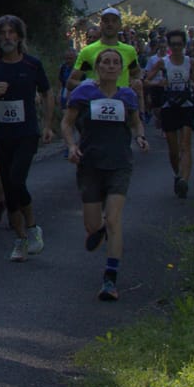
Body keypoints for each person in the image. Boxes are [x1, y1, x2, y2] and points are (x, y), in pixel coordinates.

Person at [61, 46, 148, 303]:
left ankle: (110, 279)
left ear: (121, 69)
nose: (110, 66)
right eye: (106, 62)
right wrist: (71, 145)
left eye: (115, 63)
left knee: (113, 219)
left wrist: (141, 137)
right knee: (93, 224)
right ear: (98, 67)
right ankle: (97, 230)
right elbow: (66, 122)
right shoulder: (84, 92)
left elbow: (136, 122)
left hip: (120, 164)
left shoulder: (128, 96)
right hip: (90, 165)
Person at [0, 16, 53, 261]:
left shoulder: (32, 65)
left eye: (11, 32)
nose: (7, 37)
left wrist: (48, 125)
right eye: (2, 33)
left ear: (19, 37)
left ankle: (33, 227)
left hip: (26, 133)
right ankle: (21, 240)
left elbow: (47, 93)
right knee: (7, 187)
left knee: (17, 180)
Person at [140, 30, 194, 198]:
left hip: (186, 104)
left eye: (179, 44)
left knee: (185, 145)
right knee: (173, 149)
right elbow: (145, 81)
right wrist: (159, 83)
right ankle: (177, 174)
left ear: (184, 45)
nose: (176, 47)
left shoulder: (191, 62)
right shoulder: (162, 62)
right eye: (173, 44)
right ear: (168, 46)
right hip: (169, 106)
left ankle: (184, 180)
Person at [74, 8, 137, 93]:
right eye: (106, 21)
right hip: (96, 101)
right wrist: (90, 85)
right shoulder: (87, 51)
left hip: (122, 101)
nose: (110, 24)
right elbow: (71, 82)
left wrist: (135, 83)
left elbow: (136, 73)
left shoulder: (130, 51)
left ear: (120, 25)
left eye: (114, 21)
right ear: (100, 25)